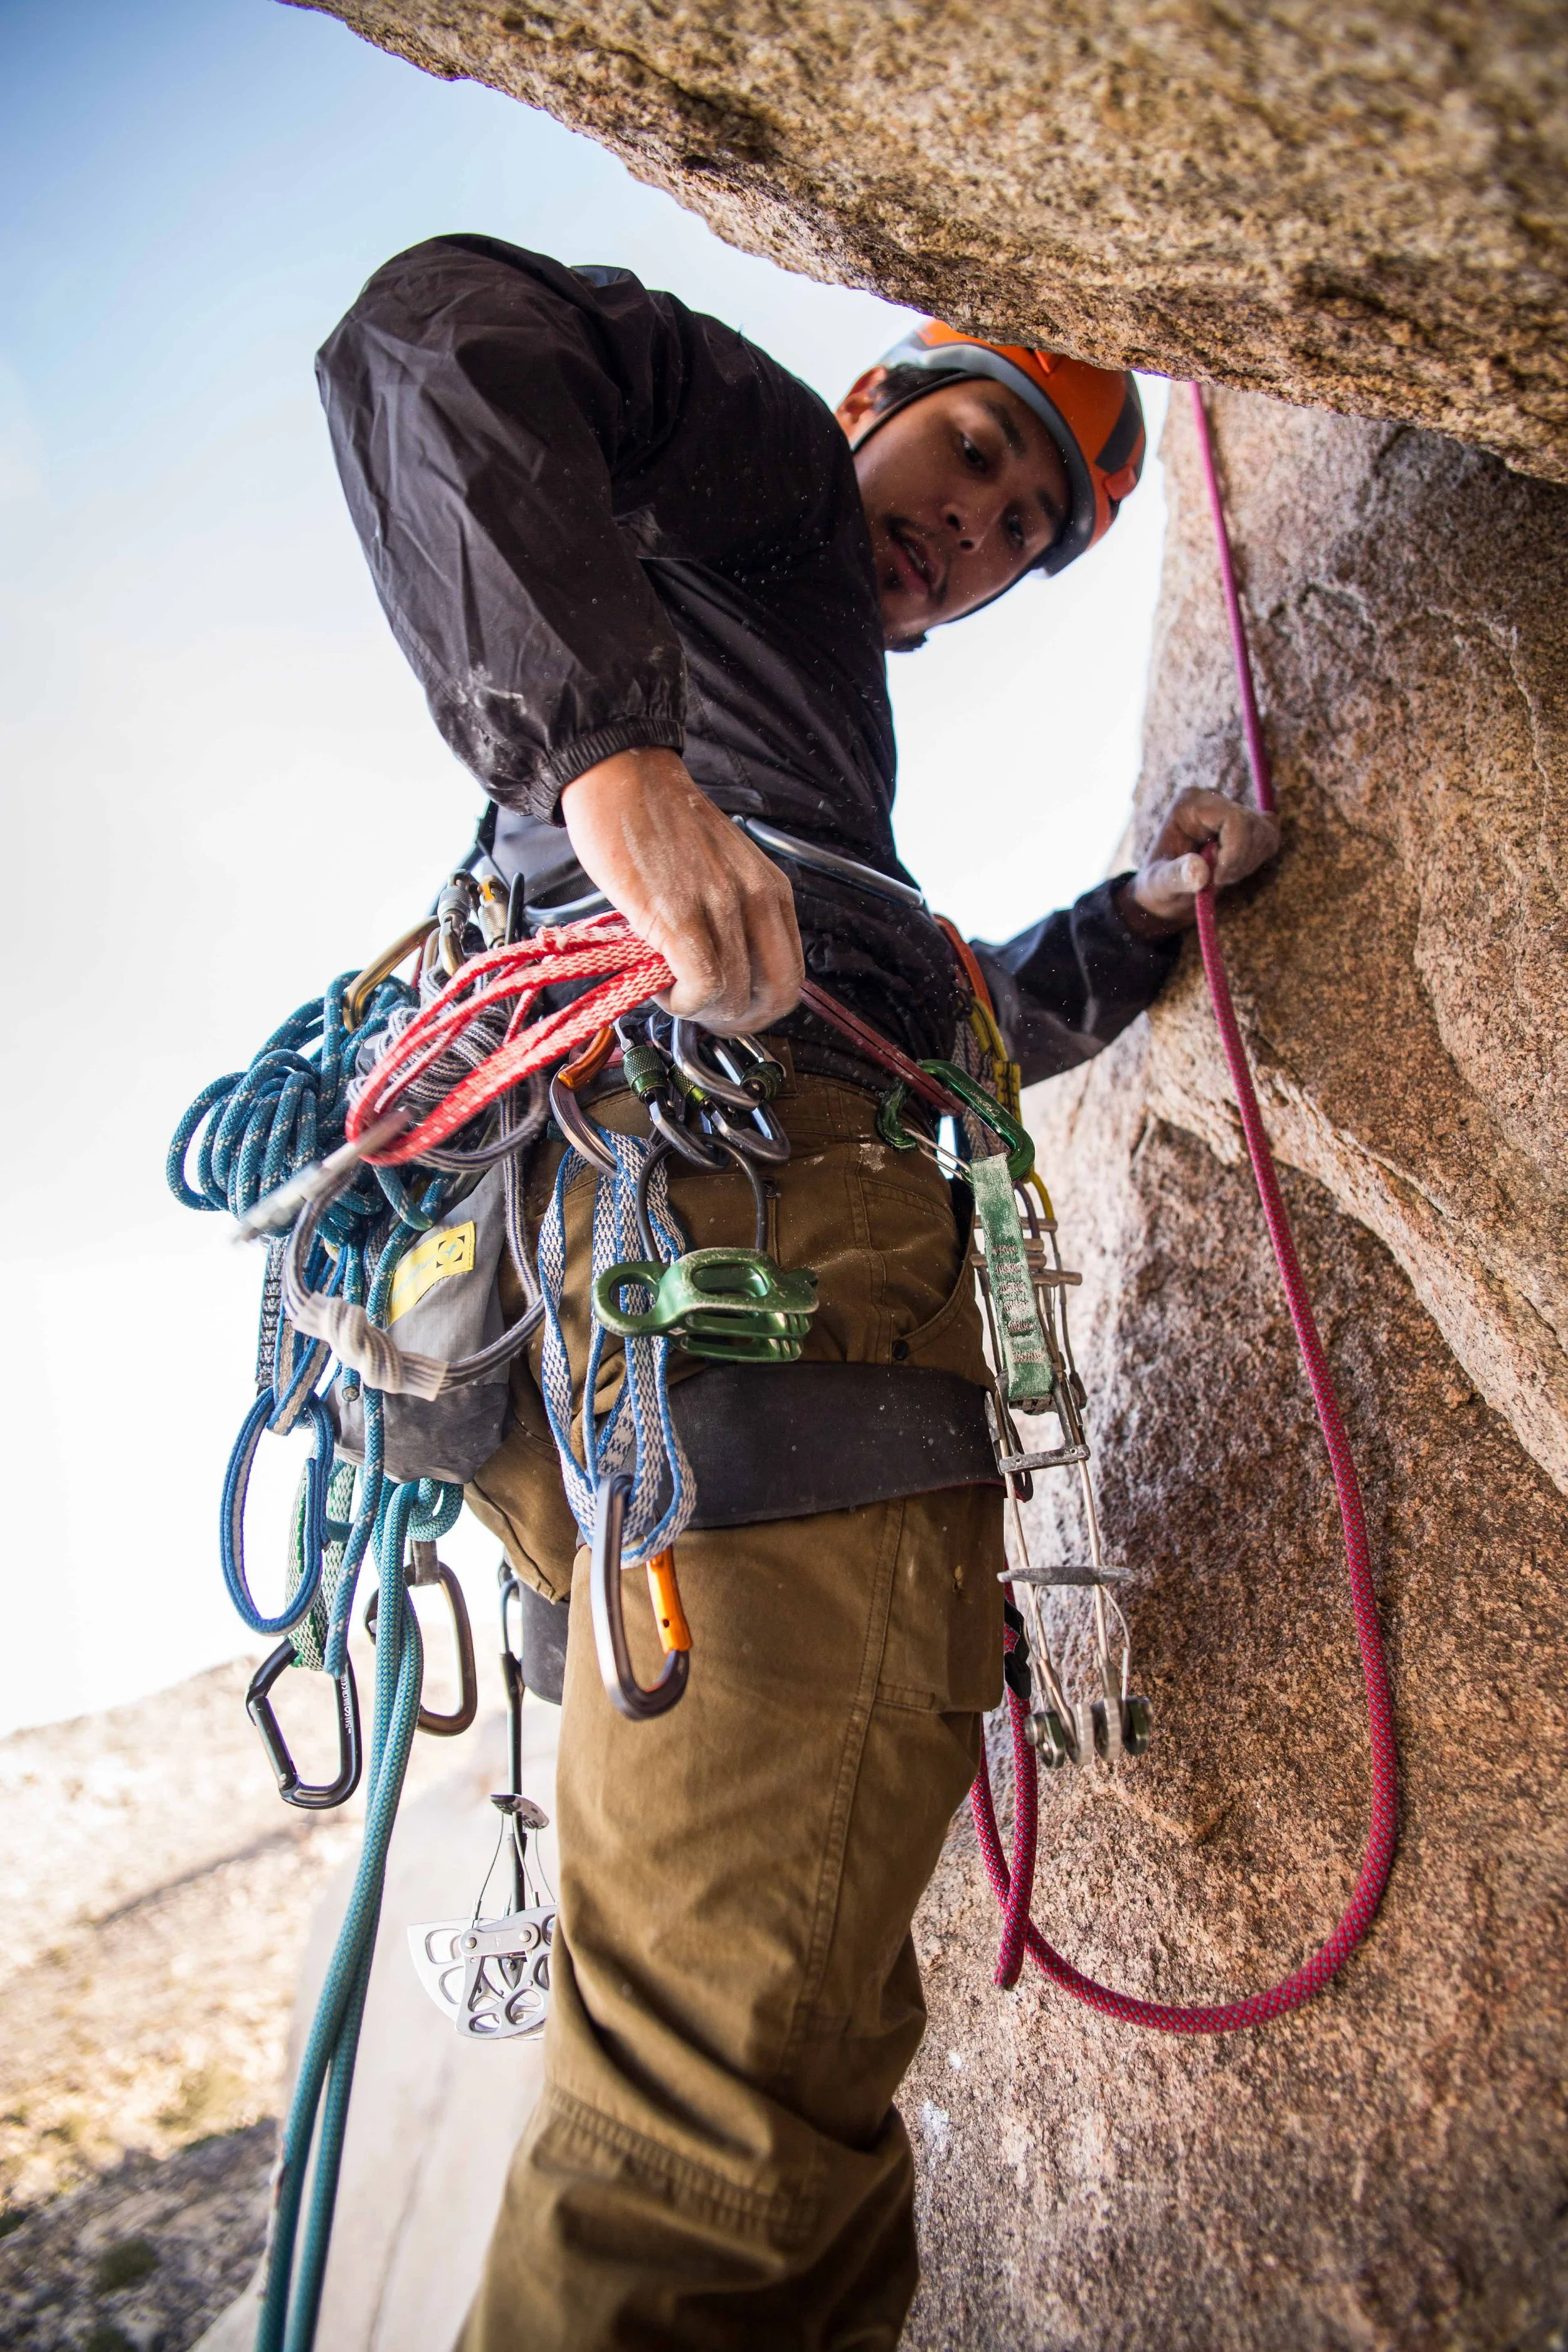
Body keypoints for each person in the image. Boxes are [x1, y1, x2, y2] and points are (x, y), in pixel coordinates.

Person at [317, 236, 1278, 2350]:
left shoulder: (788, 707)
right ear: (873, 396)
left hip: (611, 1292)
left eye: (1028, 527)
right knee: (726, 2119)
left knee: (791, 2068)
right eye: (972, 447)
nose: (981, 521)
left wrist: (1127, 922)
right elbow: (431, 329)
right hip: (730, 1251)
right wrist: (609, 767)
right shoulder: (753, 476)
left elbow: (925, 1009)